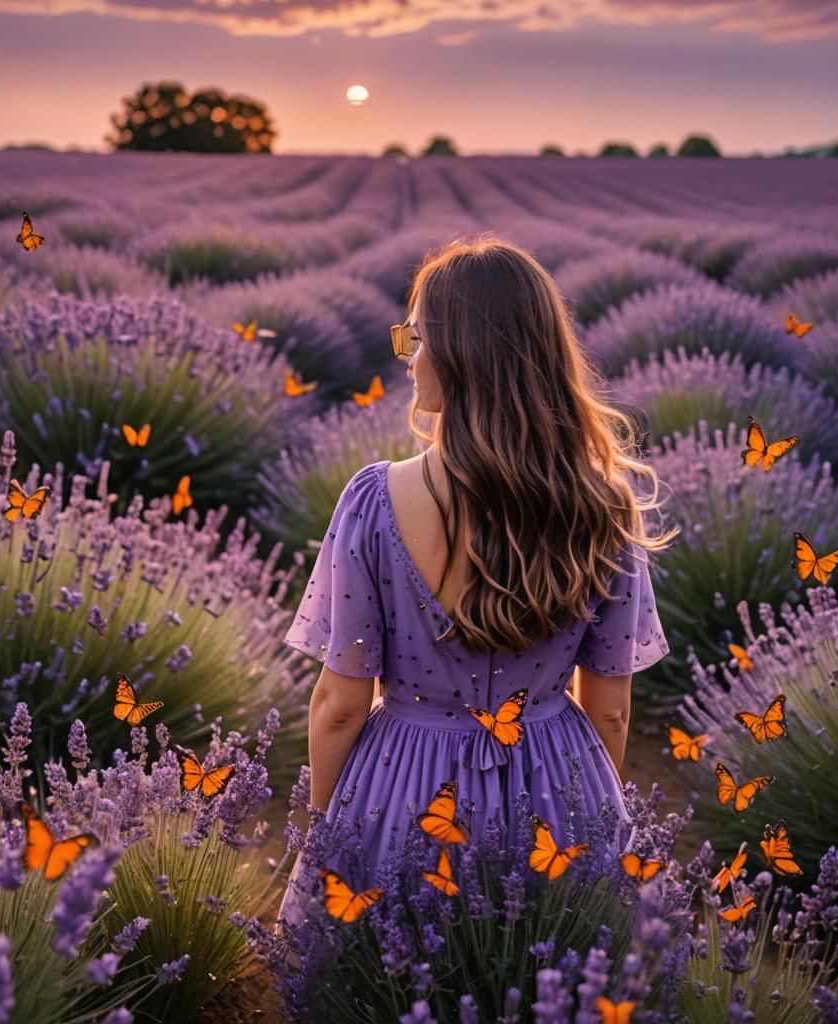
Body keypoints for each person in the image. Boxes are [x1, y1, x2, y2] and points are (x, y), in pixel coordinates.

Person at [275, 235, 677, 935]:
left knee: (389, 977)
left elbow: (340, 704)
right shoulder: (603, 504)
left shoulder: (375, 500)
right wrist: (588, 803)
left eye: (417, 337)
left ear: (462, 353)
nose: (409, 358)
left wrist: (323, 833)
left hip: (402, 786)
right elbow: (611, 710)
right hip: (554, 779)